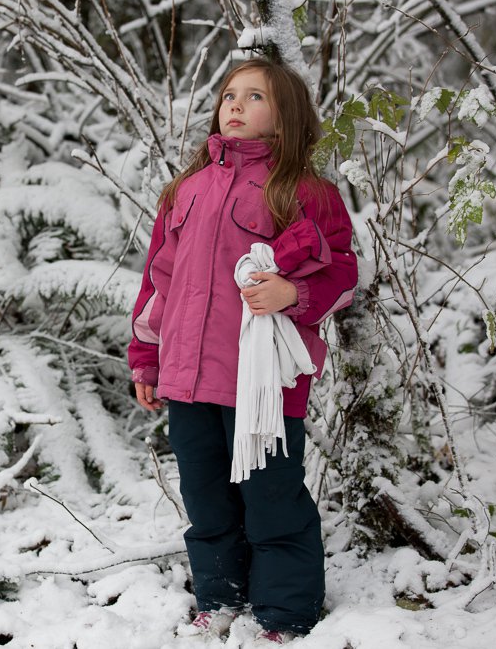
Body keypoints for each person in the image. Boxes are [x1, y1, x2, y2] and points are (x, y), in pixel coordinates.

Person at [127, 58, 358, 644]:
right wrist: (147, 357)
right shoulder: (187, 190)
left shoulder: (304, 191)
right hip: (186, 376)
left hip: (262, 383)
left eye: (254, 96)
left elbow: (345, 273)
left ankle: (284, 612)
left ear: (287, 116)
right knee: (206, 498)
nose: (235, 104)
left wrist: (294, 291)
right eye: (230, 94)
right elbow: (158, 282)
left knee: (272, 498)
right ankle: (220, 594)